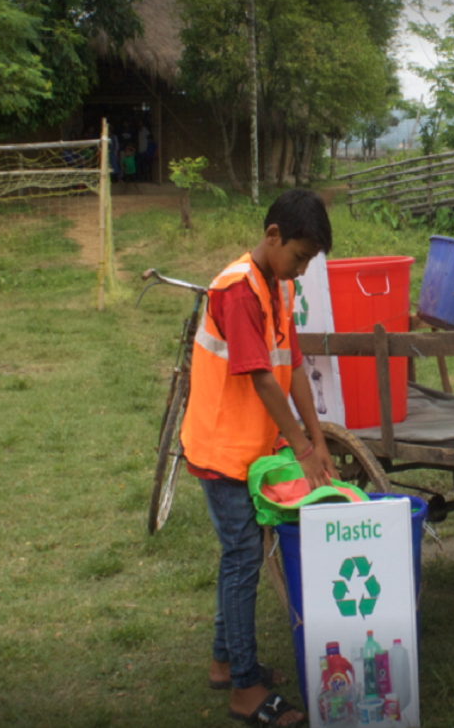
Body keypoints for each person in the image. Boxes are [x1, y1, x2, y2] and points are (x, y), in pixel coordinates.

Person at [181, 189, 338, 726]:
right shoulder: (237, 291)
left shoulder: (278, 287)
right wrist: (300, 447)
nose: (301, 268)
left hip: (249, 452)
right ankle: (244, 689)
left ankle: (226, 662)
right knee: (244, 556)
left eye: (309, 262)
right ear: (273, 236)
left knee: (241, 556)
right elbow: (259, 379)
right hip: (220, 450)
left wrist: (316, 441)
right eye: (299, 256)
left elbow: (291, 365)